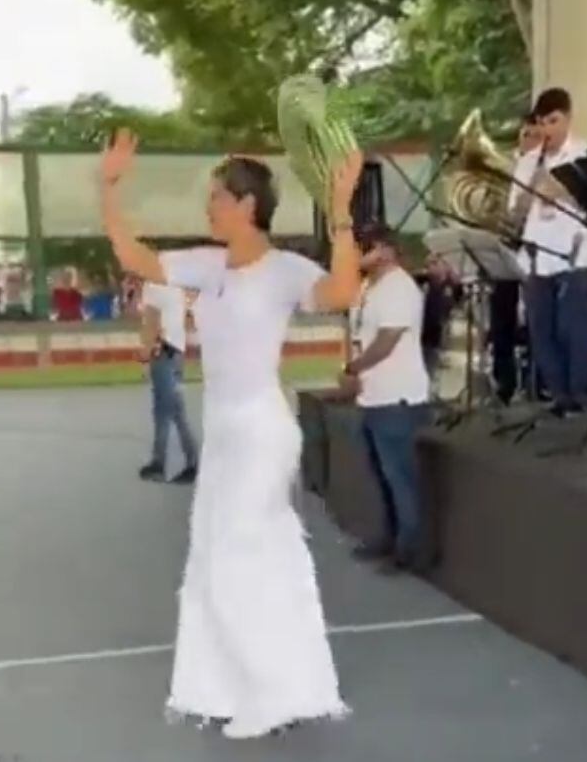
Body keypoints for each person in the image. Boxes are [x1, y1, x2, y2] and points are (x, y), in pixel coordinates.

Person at [100, 130, 361, 740]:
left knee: (238, 555)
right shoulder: (206, 263)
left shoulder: (285, 270)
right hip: (223, 435)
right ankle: (228, 687)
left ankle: (269, 695)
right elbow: (135, 258)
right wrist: (108, 188)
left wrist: (341, 214)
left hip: (262, 430)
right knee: (224, 556)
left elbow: (342, 292)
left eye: (217, 197)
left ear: (247, 204)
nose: (208, 207)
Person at [344, 225, 430, 573]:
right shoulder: (368, 287)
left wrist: (354, 367)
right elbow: (359, 332)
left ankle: (409, 549)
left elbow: (387, 340)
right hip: (372, 395)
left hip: (397, 396)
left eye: (364, 248)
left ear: (385, 249)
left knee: (400, 477)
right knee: (382, 475)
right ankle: (389, 536)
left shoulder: (400, 287)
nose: (358, 255)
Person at [510, 88, 587, 417]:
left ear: (568, 118)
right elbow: (515, 214)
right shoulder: (528, 162)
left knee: (574, 328)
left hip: (574, 253)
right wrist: (529, 189)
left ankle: (580, 394)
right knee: (541, 330)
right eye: (542, 123)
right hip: (537, 256)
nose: (548, 129)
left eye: (554, 121)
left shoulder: (585, 154)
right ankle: (559, 395)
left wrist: (561, 191)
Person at [490, 112, 542, 404]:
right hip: (508, 248)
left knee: (537, 320)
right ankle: (504, 383)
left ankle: (538, 382)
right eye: (526, 135)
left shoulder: (545, 167)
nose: (530, 141)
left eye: (536, 136)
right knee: (501, 319)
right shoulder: (508, 170)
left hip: (535, 250)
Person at [138, 283, 200, 484]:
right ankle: (182, 461)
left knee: (165, 411)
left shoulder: (152, 288)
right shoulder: (176, 288)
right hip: (176, 352)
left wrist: (144, 358)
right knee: (173, 410)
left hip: (162, 353)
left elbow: (151, 324)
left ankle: (166, 464)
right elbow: (188, 322)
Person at [415, 253, 462, 382]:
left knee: (431, 365)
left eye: (434, 263)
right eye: (428, 265)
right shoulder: (423, 281)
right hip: (421, 329)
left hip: (437, 331)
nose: (430, 268)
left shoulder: (451, 285)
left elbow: (458, 299)